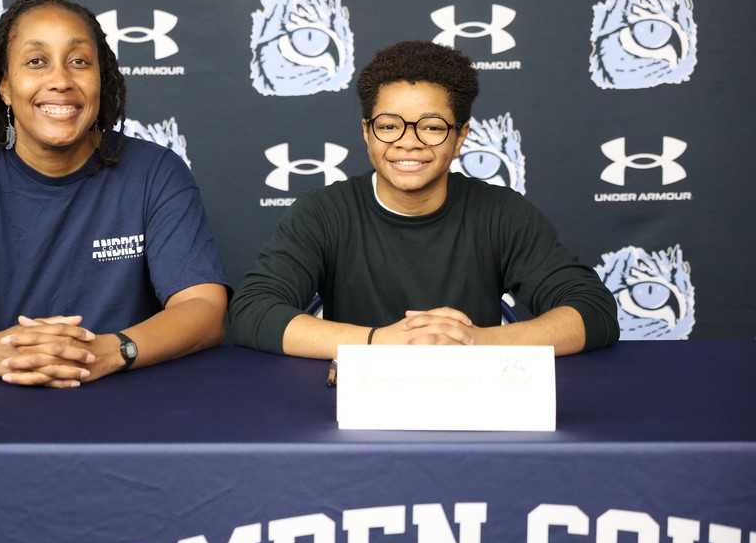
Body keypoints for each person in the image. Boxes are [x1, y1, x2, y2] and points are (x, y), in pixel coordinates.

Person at [0, 0, 229, 387]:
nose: (61, 80)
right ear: (4, 86)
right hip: (2, 404)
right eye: (36, 62)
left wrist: (112, 351)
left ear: (100, 79)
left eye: (79, 62)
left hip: (131, 399)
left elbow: (204, 308)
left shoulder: (156, 173)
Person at [229, 41, 618, 359]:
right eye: (388, 126)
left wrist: (475, 342)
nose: (408, 142)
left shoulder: (501, 212)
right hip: (354, 403)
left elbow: (592, 310)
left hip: (473, 398)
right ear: (367, 132)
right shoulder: (323, 212)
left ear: (460, 136)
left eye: (431, 127)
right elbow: (252, 311)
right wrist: (380, 342)